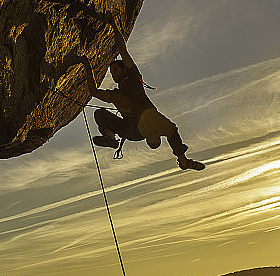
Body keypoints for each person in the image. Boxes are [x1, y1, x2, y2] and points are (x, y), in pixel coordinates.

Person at [79, 20, 205, 171]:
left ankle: (183, 160)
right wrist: (87, 68)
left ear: (124, 70)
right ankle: (111, 139)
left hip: (146, 119)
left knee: (169, 128)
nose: (113, 75)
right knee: (99, 114)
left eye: (116, 71)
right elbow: (94, 92)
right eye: (111, 73)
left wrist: (114, 25)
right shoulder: (117, 94)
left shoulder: (133, 76)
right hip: (132, 130)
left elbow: (123, 51)